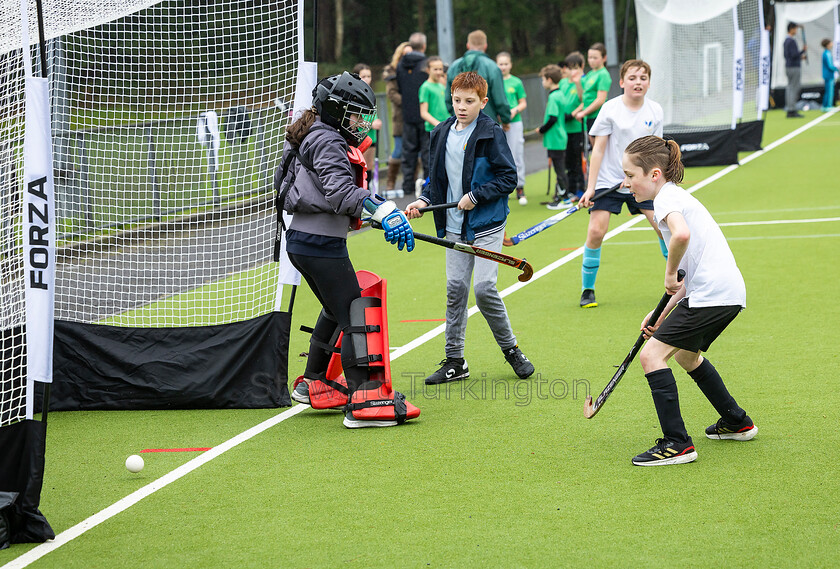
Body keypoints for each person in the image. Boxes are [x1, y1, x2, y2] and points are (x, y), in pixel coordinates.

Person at [277, 72, 414, 428]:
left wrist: (377, 214)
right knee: (356, 314)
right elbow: (339, 193)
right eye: (354, 113)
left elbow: (326, 196)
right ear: (335, 110)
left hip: (308, 242)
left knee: (337, 310)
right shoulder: (327, 140)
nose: (360, 122)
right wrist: (380, 208)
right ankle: (365, 399)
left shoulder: (320, 133)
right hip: (319, 244)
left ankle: (313, 382)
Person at [621, 135, 756, 466]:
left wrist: (668, 273)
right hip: (726, 293)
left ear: (654, 174)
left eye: (630, 175)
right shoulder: (675, 197)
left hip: (712, 294)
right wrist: (662, 313)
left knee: (652, 357)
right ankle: (737, 422)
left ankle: (677, 444)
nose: (626, 184)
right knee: (685, 355)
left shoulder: (666, 200)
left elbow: (681, 237)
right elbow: (686, 280)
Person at [405, 72, 534, 384]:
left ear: (483, 102)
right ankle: (455, 361)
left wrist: (476, 196)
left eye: (469, 101)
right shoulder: (439, 132)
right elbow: (436, 180)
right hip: (453, 227)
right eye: (457, 100)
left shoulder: (491, 132)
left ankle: (512, 350)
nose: (461, 107)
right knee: (456, 290)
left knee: (484, 288)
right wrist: (423, 201)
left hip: (486, 225)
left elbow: (508, 178)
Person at [578, 60, 666, 309]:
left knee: (663, 228)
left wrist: (657, 184)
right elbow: (598, 150)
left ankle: (680, 282)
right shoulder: (610, 109)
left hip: (643, 183)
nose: (638, 82)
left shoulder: (655, 111)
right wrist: (590, 187)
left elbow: (656, 151)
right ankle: (587, 289)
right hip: (610, 181)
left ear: (648, 82)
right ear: (622, 82)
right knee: (596, 231)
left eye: (643, 78)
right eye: (632, 77)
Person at [445, 30, 511, 126]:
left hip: (461, 124)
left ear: (468, 45)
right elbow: (500, 99)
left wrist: (457, 116)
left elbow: (448, 98)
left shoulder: (454, 66)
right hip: (487, 124)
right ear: (485, 46)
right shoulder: (492, 67)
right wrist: (505, 119)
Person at [535, 64, 575, 208]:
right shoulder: (561, 94)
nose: (542, 82)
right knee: (560, 167)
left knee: (559, 168)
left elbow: (552, 118)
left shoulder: (553, 97)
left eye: (543, 79)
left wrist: (541, 130)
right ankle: (563, 195)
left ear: (549, 80)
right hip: (559, 137)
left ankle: (564, 198)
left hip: (555, 138)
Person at [397, 32, 430, 197]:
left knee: (408, 152)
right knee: (426, 152)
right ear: (424, 46)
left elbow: (401, 88)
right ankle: (427, 186)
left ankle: (407, 186)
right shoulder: (426, 65)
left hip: (408, 114)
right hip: (425, 115)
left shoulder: (400, 64)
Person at [496, 51, 528, 203]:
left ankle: (520, 187)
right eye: (500, 64)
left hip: (515, 122)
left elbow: (523, 102)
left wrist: (514, 111)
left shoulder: (516, 82)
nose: (503, 67)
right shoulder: (494, 81)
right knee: (500, 155)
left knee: (516, 154)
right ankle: (503, 187)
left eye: (505, 64)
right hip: (498, 124)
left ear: (510, 65)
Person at [383, 41, 412, 195]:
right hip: (401, 116)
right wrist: (409, 102)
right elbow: (392, 94)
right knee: (399, 150)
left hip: (415, 117)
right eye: (404, 54)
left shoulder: (416, 71)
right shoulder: (392, 71)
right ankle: (390, 181)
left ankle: (413, 182)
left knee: (416, 150)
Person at [573, 43, 612, 145]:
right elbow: (583, 97)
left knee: (598, 148)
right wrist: (577, 83)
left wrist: (584, 112)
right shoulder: (590, 74)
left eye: (595, 57)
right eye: (590, 57)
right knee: (593, 147)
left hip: (597, 116)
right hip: (589, 117)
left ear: (604, 58)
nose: (592, 60)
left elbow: (600, 99)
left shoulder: (603, 74)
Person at [352, 63, 383, 188]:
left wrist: (376, 122)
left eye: (369, 76)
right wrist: (370, 125)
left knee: (369, 168)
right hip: (361, 137)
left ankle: (370, 195)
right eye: (363, 76)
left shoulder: (370, 94)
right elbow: (355, 120)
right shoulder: (355, 96)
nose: (366, 79)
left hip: (372, 137)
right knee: (361, 169)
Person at [560, 52, 585, 200]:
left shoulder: (583, 81)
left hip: (577, 128)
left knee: (577, 160)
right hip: (564, 129)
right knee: (567, 161)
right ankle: (569, 190)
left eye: (575, 68)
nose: (572, 71)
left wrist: (574, 113)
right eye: (569, 68)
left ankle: (580, 189)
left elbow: (584, 100)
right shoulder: (563, 83)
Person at [419, 56, 449, 133]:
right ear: (428, 70)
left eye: (440, 69)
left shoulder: (442, 85)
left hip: (446, 127)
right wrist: (438, 124)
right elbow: (424, 113)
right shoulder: (425, 87)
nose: (438, 72)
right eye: (435, 69)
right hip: (433, 130)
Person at [783, 22, 807, 118]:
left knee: (790, 88)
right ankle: (792, 109)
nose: (796, 31)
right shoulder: (791, 41)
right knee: (794, 88)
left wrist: (800, 56)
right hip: (794, 67)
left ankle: (790, 108)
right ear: (791, 29)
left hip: (789, 66)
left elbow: (788, 55)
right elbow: (794, 55)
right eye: (795, 29)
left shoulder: (786, 41)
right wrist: (802, 51)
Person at [821, 38, 838, 112]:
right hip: (829, 75)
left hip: (826, 74)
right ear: (828, 44)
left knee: (827, 91)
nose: (832, 44)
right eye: (831, 43)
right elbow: (830, 65)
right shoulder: (827, 53)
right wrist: (837, 69)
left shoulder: (825, 52)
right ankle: (828, 106)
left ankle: (824, 106)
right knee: (830, 91)